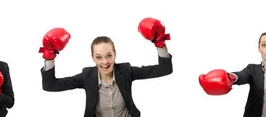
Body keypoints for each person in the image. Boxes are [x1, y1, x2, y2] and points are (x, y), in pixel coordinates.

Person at [39, 17, 173, 117]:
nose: (105, 62)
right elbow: (50, 86)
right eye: (99, 57)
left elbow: (164, 70)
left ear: (115, 54)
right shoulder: (87, 76)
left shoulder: (126, 71)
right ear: (92, 58)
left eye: (109, 55)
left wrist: (159, 43)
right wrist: (49, 57)